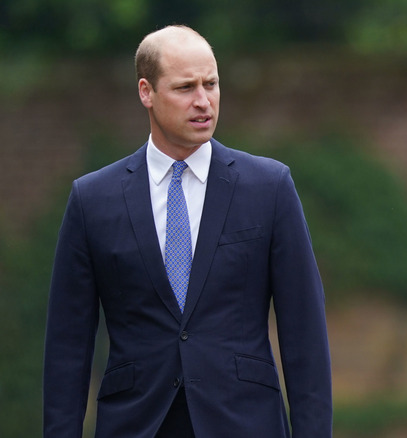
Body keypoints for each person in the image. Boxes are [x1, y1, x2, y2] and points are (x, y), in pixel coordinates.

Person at [43, 25, 332, 437]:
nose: (203, 101)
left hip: (246, 423)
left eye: (211, 84)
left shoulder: (269, 187)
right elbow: (67, 348)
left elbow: (305, 334)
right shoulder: (92, 200)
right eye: (185, 88)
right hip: (136, 423)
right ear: (146, 92)